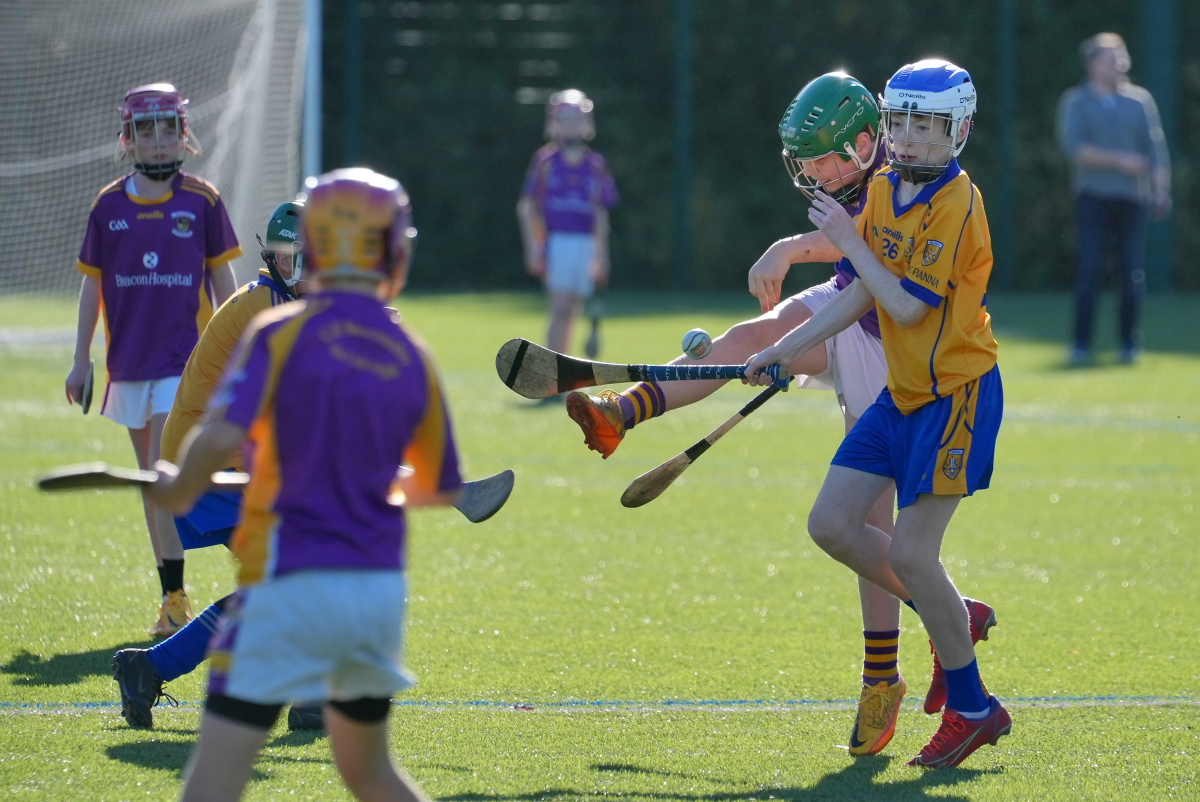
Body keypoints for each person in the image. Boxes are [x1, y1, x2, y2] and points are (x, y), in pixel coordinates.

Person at [566, 72, 996, 756]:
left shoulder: (919, 176)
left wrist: (794, 247)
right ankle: (625, 409)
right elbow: (857, 257)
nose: (814, 171)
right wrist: (793, 335)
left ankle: (889, 667)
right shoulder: (883, 173)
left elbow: (884, 266)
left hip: (901, 354)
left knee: (873, 525)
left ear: (862, 144)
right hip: (850, 307)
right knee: (747, 340)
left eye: (824, 157)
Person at [149, 167, 463, 802]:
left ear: (309, 251)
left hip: (283, 589)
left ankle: (156, 668)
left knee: (213, 778)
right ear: (394, 254)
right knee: (371, 774)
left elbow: (216, 438)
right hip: (373, 595)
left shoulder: (278, 333)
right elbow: (439, 487)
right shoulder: (410, 351)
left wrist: (178, 489)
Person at [744, 59, 1012, 768]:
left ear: (957, 129)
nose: (909, 138)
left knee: (914, 554)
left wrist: (849, 236)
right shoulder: (887, 187)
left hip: (956, 396)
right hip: (902, 395)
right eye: (899, 123)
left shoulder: (958, 203)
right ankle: (954, 613)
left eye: (925, 125)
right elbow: (859, 293)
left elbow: (902, 302)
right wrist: (785, 345)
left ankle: (975, 708)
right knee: (832, 525)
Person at [112, 200, 324, 731]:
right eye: (282, 257)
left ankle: (153, 668)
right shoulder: (265, 309)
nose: (290, 269)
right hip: (211, 464)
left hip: (227, 459)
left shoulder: (286, 306)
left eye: (301, 259)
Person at [65, 83, 242, 638]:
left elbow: (223, 280)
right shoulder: (108, 206)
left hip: (186, 365)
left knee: (171, 475)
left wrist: (232, 349)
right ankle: (174, 596)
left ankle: (245, 575)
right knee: (153, 484)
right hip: (129, 366)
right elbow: (91, 290)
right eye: (147, 130)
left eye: (169, 128)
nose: (160, 140)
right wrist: (79, 360)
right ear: (129, 138)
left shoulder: (203, 201)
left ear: (183, 134)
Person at [1057, 32, 1171, 366]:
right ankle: (1081, 344)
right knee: (1090, 268)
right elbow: (1076, 150)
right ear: (1092, 64)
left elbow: (1156, 151)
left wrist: (1161, 189)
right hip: (1092, 197)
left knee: (1131, 272)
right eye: (1111, 58)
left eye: (1122, 56)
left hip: (1132, 199)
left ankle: (1129, 344)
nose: (1120, 63)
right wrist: (1122, 161)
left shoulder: (1140, 101)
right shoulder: (1076, 102)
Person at [517, 89, 619, 357]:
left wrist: (602, 255)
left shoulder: (596, 165)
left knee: (573, 308)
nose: (571, 125)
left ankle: (562, 371)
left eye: (576, 119)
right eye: (565, 119)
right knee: (560, 306)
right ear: (554, 123)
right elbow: (528, 207)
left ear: (587, 123)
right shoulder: (546, 162)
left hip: (586, 244)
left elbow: (600, 214)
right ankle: (551, 373)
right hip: (556, 241)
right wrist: (533, 246)